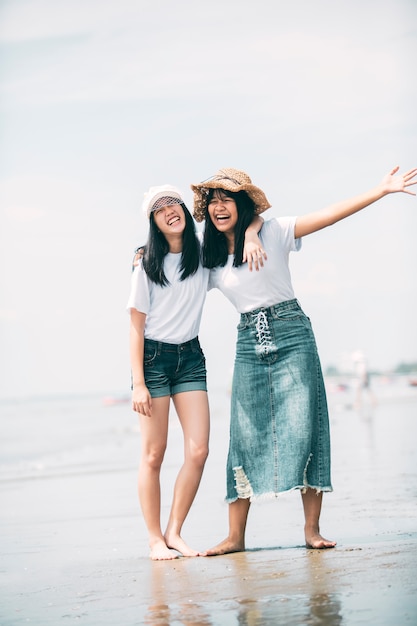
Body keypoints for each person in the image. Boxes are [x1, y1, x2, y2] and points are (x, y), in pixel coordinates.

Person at [190, 165, 417, 555]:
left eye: (227, 199)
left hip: (292, 333)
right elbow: (171, 252)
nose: (219, 207)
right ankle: (235, 537)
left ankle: (312, 530)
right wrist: (143, 255)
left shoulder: (274, 232)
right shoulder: (208, 255)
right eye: (213, 202)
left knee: (307, 426)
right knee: (243, 436)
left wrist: (380, 191)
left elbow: (329, 215)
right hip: (248, 341)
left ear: (242, 204)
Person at [127, 184, 264, 560]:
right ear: (154, 223)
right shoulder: (146, 264)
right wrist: (138, 382)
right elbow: (136, 326)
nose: (169, 210)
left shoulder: (203, 253)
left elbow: (250, 218)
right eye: (159, 209)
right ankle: (155, 539)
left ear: (186, 212)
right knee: (154, 454)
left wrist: (251, 234)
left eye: (174, 204)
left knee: (199, 450)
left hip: (190, 357)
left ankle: (174, 531)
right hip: (153, 361)